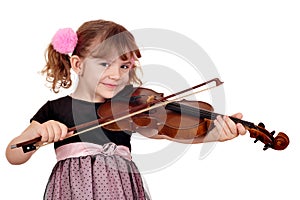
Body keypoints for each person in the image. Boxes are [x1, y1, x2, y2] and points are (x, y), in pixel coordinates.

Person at [5, 19, 246, 200]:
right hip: (73, 191)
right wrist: (39, 135)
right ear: (77, 64)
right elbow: (13, 153)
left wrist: (216, 133)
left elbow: (170, 130)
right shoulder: (56, 109)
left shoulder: (131, 109)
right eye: (104, 63)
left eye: (124, 65)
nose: (116, 74)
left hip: (122, 190)